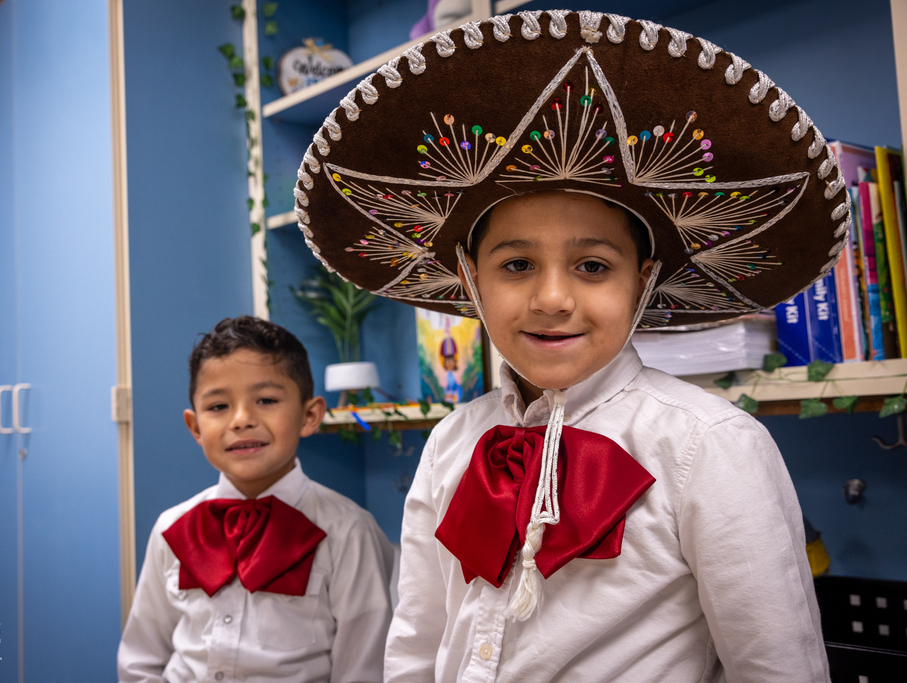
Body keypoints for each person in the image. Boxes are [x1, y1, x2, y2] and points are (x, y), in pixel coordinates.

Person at [290, 9, 848, 681]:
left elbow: (777, 667)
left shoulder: (711, 446)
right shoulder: (449, 444)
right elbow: (417, 642)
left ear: (642, 281)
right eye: (517, 265)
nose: (552, 298)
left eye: (592, 266)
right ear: (470, 278)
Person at [118, 316, 394, 683]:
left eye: (266, 400)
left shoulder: (349, 533)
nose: (242, 420)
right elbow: (139, 661)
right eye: (218, 406)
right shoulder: (171, 528)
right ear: (196, 427)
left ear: (309, 416)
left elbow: (363, 671)